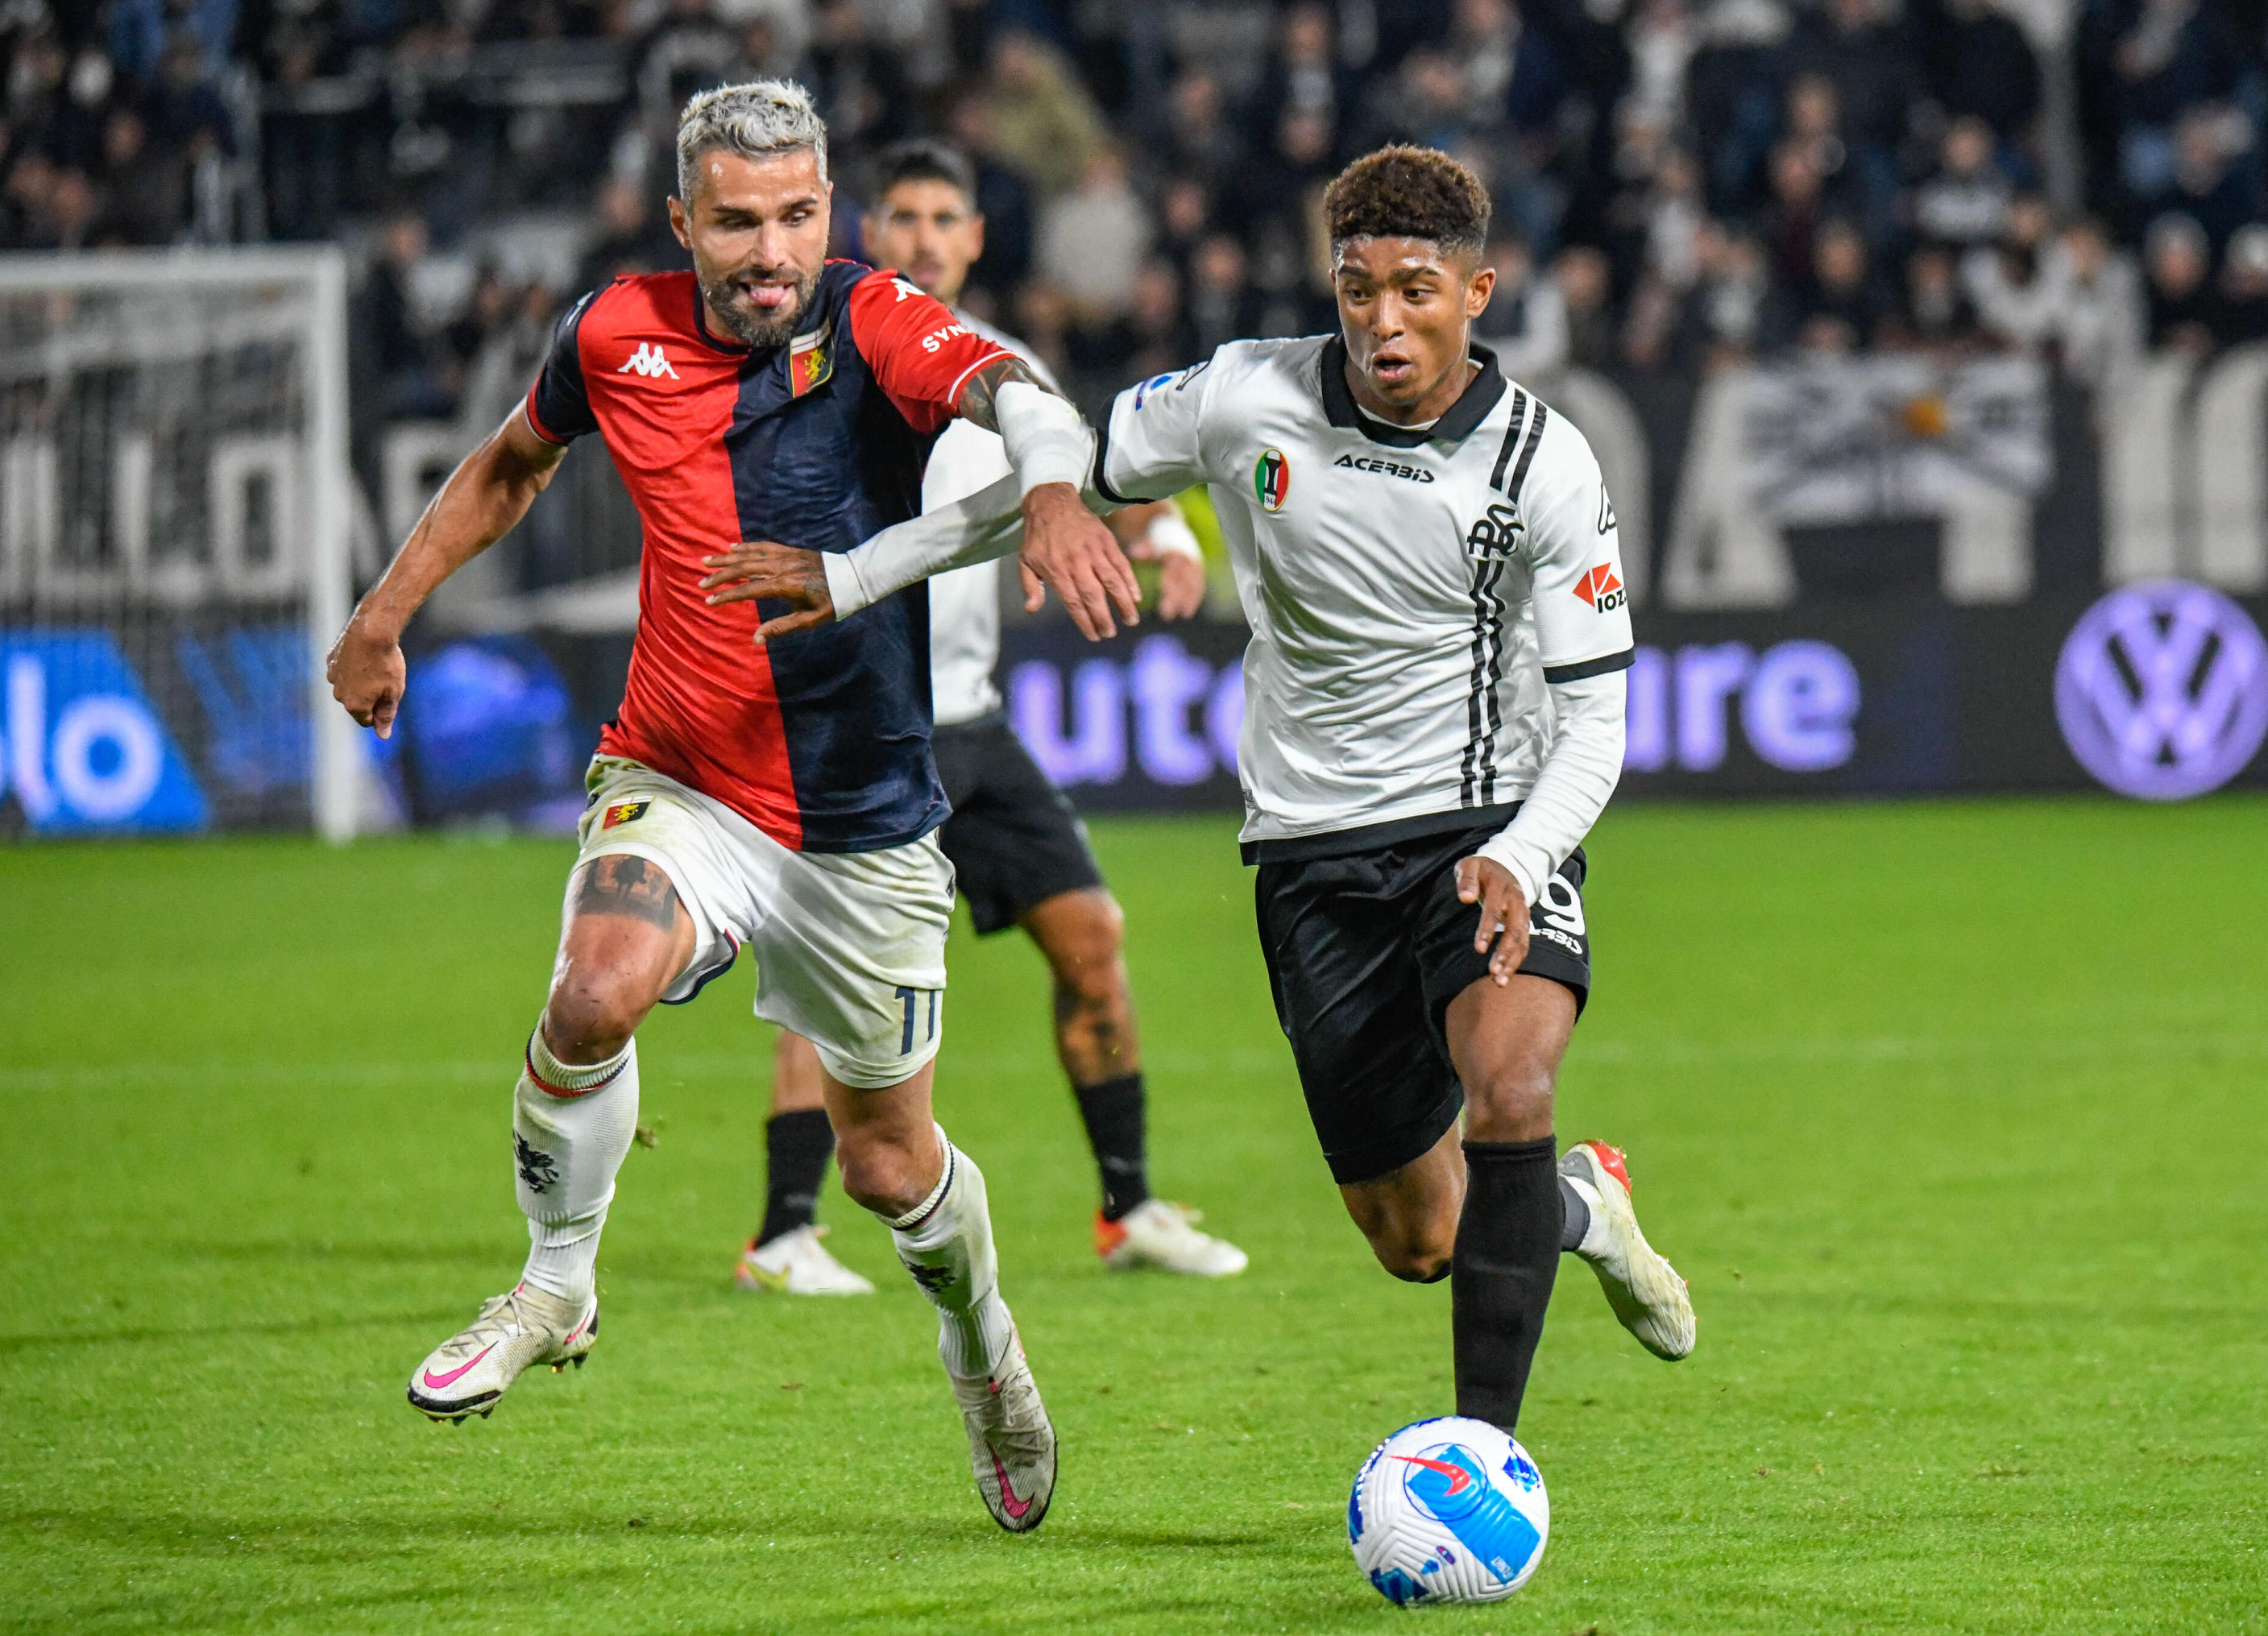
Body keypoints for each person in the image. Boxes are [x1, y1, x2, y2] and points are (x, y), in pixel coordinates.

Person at [740, 145, 1696, 1437]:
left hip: (1486, 831)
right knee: (1416, 1236)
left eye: (1418, 290)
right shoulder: (1247, 395)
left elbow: (1598, 719)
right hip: (1313, 853)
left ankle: (1480, 1465)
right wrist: (864, 571)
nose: (1383, 320)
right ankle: (1579, 1206)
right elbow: (1052, 482)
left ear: (1479, 294)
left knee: (1512, 1090)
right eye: (1358, 288)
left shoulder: (1547, 463)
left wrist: (1527, 856)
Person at [325, 80, 1146, 1534]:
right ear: (681, 223)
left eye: (795, 217)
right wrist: (385, 615)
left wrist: (1062, 490)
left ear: (825, 210)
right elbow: (513, 462)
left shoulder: (878, 318)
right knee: (592, 995)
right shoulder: (611, 333)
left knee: (892, 1166)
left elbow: (1021, 396)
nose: (770, 252)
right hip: (682, 774)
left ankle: (986, 1354)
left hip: (868, 824)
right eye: (736, 223)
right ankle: (554, 1283)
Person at [739, 139, 1247, 1296]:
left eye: (944, 218)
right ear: (872, 232)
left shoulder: (998, 368)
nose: (922, 237)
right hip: (862, 722)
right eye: (903, 217)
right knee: (832, 986)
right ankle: (781, 1234)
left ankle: (1129, 1208)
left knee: (1094, 942)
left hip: (969, 725)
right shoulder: (825, 359)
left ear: (975, 238)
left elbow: (1081, 474)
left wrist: (1160, 532)